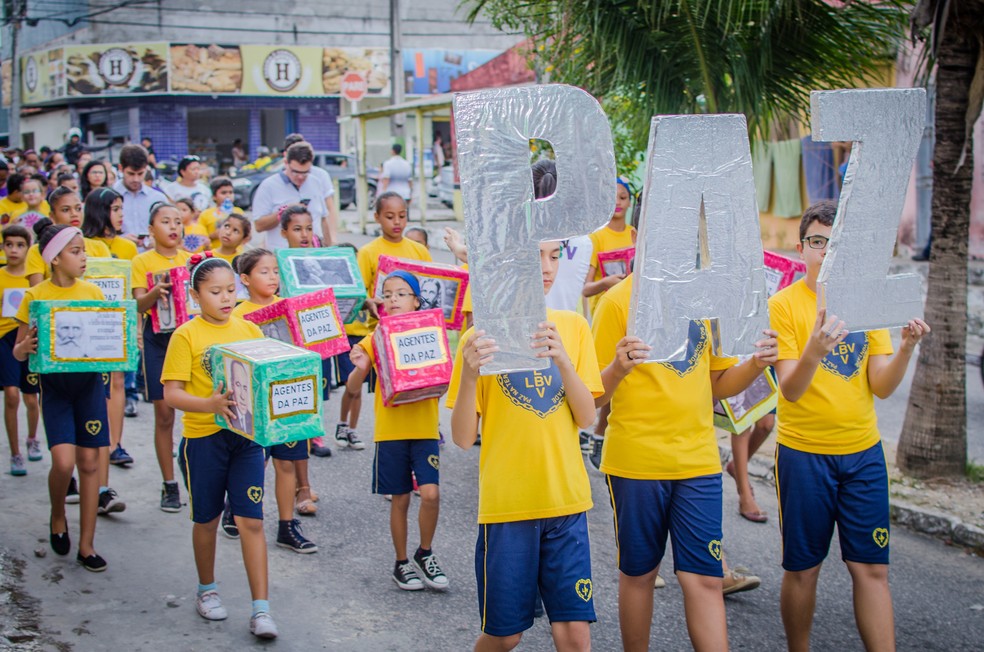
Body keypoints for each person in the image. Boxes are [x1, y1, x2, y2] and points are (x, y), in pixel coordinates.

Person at [769, 200, 930, 652]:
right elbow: (790, 390)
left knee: (872, 569)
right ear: (802, 248)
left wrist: (905, 349)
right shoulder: (783, 306)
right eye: (818, 242)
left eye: (835, 243)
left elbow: (880, 385)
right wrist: (815, 350)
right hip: (804, 454)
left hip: (863, 454)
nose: (827, 252)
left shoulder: (865, 303)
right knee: (803, 568)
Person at [591, 273, 778, 650]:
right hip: (636, 462)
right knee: (640, 574)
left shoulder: (706, 298)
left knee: (706, 579)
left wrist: (757, 363)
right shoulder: (617, 301)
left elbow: (717, 384)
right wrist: (618, 367)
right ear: (639, 233)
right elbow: (591, 395)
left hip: (699, 462)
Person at [448, 236, 602, 651]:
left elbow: (587, 417)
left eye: (554, 256)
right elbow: (463, 438)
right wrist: (467, 375)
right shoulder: (479, 336)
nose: (548, 268)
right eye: (535, 257)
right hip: (507, 508)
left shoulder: (573, 326)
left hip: (567, 504)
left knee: (575, 634)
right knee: (505, 635)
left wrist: (563, 360)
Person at [162, 255, 278, 639]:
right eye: (215, 292)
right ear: (195, 296)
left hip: (245, 441)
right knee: (207, 520)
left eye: (231, 290)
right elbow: (172, 394)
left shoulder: (250, 329)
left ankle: (261, 609)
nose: (226, 298)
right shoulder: (186, 335)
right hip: (202, 440)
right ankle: (206, 589)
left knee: (252, 520)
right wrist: (209, 406)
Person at [13, 220, 110, 571]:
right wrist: (24, 346)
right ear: (54, 259)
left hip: (88, 387)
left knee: (90, 464)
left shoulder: (94, 293)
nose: (83, 257)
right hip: (54, 389)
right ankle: (57, 513)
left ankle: (87, 546)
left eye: (83, 250)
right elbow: (18, 354)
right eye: (75, 251)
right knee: (64, 463)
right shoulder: (35, 297)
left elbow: (108, 339)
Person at [347, 270, 447, 591]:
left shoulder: (430, 331)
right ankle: (401, 561)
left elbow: (444, 379)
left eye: (401, 293)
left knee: (431, 493)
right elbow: (351, 389)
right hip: (390, 432)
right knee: (400, 499)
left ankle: (425, 552)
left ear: (417, 301)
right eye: (387, 294)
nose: (392, 299)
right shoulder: (375, 337)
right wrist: (360, 369)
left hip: (425, 429)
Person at [231, 248, 320, 551]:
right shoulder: (237, 315)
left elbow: (309, 345)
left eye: (274, 271)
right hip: (254, 404)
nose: (272, 277)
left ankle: (286, 526)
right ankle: (239, 508)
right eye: (263, 272)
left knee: (286, 464)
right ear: (244, 278)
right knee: (253, 462)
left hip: (288, 398)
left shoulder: (290, 307)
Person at [340, 192, 432, 450]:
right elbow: (360, 292)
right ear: (377, 217)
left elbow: (431, 290)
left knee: (419, 381)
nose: (397, 222)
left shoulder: (419, 250)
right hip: (379, 332)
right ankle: (365, 432)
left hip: (415, 333)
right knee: (379, 388)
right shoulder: (369, 252)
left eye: (402, 216)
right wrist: (370, 304)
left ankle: (424, 433)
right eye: (389, 217)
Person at [131, 202, 190, 512]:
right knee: (164, 415)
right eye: (165, 221)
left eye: (178, 221)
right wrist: (158, 291)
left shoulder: (191, 261)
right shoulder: (142, 261)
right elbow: (139, 305)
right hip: (158, 342)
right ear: (151, 229)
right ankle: (169, 484)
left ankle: (194, 473)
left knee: (199, 414)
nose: (173, 227)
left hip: (191, 342)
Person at [276, 206, 333, 506]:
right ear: (283, 232)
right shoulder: (274, 264)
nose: (305, 235)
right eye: (297, 229)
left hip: (311, 350)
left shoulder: (319, 265)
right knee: (289, 422)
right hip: (284, 354)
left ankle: (303, 487)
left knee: (305, 418)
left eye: (309, 228)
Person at [82, 187, 137, 476]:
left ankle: (116, 444)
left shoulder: (127, 247)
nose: (120, 215)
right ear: (99, 211)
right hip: (91, 324)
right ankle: (96, 442)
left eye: (121, 209)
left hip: (119, 323)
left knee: (118, 380)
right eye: (115, 209)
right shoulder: (83, 244)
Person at [584, 176, 637, 470]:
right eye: (613, 196)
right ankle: (600, 434)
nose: (618, 202)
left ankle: (602, 434)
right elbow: (585, 287)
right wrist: (607, 283)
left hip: (637, 311)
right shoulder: (597, 238)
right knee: (609, 376)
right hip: (606, 313)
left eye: (623, 197)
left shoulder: (635, 231)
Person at [0, 225, 40, 476]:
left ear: (29, 247)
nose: (14, 250)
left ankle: (32, 438)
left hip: (29, 338)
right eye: (9, 244)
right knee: (12, 395)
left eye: (20, 245)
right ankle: (15, 453)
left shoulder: (33, 277)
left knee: (31, 397)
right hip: (4, 339)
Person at [252, 142, 331, 249]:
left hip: (313, 254)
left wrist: (329, 249)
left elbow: (323, 219)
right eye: (295, 172)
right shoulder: (268, 186)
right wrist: (283, 212)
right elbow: (259, 226)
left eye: (305, 172)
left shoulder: (315, 182)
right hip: (281, 256)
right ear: (285, 163)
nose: (300, 177)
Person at [25, 188, 111, 286]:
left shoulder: (99, 247)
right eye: (66, 210)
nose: (74, 214)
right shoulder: (38, 250)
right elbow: (37, 294)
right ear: (52, 216)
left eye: (78, 208)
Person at [281, 133, 339, 245]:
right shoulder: (276, 181)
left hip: (314, 242)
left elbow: (328, 210)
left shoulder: (319, 176)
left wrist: (332, 239)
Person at [114, 144, 168, 246]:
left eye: (140, 174)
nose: (136, 179)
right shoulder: (109, 197)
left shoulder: (158, 198)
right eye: (130, 174)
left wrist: (157, 240)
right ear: (121, 168)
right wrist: (119, 240)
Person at [198, 177, 244, 250]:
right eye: (223, 193)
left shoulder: (238, 212)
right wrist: (213, 236)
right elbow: (200, 237)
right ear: (214, 196)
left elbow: (247, 235)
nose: (228, 195)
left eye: (230, 192)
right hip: (214, 254)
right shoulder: (206, 214)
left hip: (235, 254)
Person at [380, 144, 413, 210]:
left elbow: (386, 179)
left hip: (391, 193)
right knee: (404, 214)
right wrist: (411, 193)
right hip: (405, 193)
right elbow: (410, 181)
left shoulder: (388, 164)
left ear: (392, 151)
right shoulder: (407, 164)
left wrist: (383, 193)